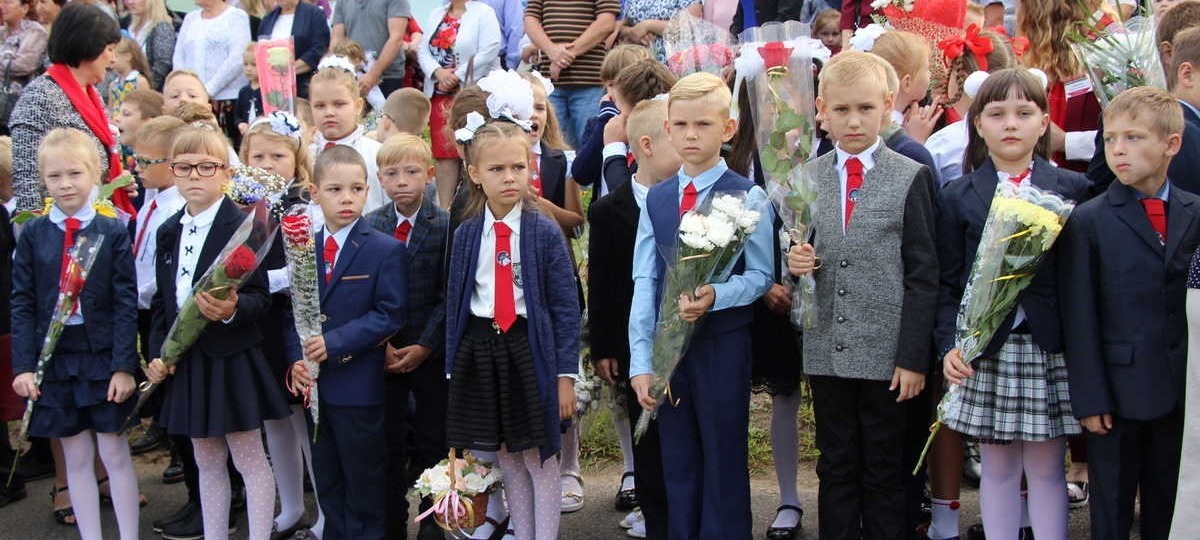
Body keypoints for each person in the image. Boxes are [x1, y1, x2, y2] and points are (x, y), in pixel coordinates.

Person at [786, 51, 938, 540]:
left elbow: (923, 274)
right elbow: (795, 264)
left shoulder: (910, 175)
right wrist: (796, 265)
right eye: (842, 109)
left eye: (866, 109)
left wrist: (913, 357)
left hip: (887, 356)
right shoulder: (804, 179)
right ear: (822, 111)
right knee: (835, 462)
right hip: (827, 350)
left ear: (888, 105)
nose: (854, 121)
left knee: (884, 465)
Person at [938, 68, 1089, 540]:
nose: (1010, 124)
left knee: (1046, 467)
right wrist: (949, 345)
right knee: (998, 466)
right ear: (978, 124)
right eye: (997, 113)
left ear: (1044, 123)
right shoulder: (958, 195)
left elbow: (1080, 281)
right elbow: (947, 284)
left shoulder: (1072, 189)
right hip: (987, 350)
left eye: (1024, 113)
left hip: (1049, 347)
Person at [628, 72, 773, 540]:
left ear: (727, 129)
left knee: (723, 456)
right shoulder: (657, 199)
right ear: (667, 129)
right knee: (678, 458)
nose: (692, 135)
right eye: (682, 124)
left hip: (721, 348)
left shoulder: (748, 195)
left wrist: (716, 295)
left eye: (704, 124)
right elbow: (645, 280)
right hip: (669, 353)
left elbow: (761, 276)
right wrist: (641, 362)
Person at [1059, 86, 1200, 540]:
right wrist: (1090, 398)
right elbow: (1080, 317)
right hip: (1115, 396)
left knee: (1170, 504)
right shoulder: (1089, 220)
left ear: (1171, 144)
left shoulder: (1195, 212)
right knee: (1112, 509)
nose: (1118, 149)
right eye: (1110, 138)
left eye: (1133, 137)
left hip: (1181, 392)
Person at [145, 126, 291, 540]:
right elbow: (162, 303)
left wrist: (232, 310)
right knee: (206, 458)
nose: (195, 175)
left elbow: (261, 298)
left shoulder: (243, 226)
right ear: (172, 171)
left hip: (230, 357)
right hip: (188, 360)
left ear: (226, 172)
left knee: (249, 459)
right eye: (184, 167)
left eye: (206, 167)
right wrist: (159, 353)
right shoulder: (168, 230)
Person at [444, 117, 579, 540]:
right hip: (484, 349)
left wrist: (565, 376)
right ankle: (522, 532)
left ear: (530, 168)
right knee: (507, 457)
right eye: (497, 169)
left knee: (539, 457)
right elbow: (456, 303)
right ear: (475, 174)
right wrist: (453, 366)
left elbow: (565, 308)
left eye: (518, 167)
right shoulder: (467, 234)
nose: (509, 177)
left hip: (529, 350)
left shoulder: (543, 231)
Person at [10, 127, 140, 540]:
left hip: (101, 355)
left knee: (114, 451)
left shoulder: (111, 230)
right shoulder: (33, 234)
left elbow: (125, 302)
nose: (65, 184)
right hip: (56, 360)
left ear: (95, 173)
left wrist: (123, 366)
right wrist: (24, 366)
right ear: (42, 180)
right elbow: (22, 302)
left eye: (75, 173)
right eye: (55, 176)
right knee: (76, 455)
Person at [287, 145, 407, 540]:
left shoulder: (384, 249)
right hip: (315, 389)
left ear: (367, 190)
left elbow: (390, 313)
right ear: (314, 192)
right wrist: (295, 361)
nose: (346, 198)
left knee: (364, 483)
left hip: (358, 387)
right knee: (328, 480)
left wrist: (334, 342)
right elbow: (293, 313)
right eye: (335, 189)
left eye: (356, 189)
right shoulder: (303, 248)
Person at [587, 98, 679, 540]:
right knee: (646, 433)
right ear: (647, 145)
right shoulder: (609, 209)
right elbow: (602, 282)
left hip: (683, 333)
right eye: (675, 138)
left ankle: (683, 509)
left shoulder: (688, 198)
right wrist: (603, 345)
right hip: (632, 340)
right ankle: (652, 510)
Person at [239, 111, 324, 540]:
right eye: (259, 156)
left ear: (296, 160)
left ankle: (323, 511)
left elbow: (305, 269)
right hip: (259, 325)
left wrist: (254, 280)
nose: (268, 164)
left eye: (278, 156)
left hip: (294, 321)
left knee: (304, 420)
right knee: (274, 419)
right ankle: (290, 506)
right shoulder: (240, 204)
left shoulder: (304, 207)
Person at [363, 133, 451, 540]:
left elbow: (448, 293)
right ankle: (391, 520)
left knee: (434, 437)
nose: (402, 181)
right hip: (384, 352)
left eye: (412, 172)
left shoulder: (445, 225)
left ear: (429, 175)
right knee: (388, 440)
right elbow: (366, 293)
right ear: (380, 178)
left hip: (429, 352)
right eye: (392, 173)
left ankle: (433, 519)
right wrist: (380, 343)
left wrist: (427, 344)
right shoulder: (371, 225)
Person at [9, 3, 131, 214]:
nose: (113, 59)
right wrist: (37, 230)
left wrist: (117, 182)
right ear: (87, 46)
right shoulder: (40, 97)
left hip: (96, 219)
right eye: (110, 50)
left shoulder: (92, 94)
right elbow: (27, 180)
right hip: (58, 224)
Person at [416, 0, 501, 210]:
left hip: (471, 95)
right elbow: (422, 50)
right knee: (444, 155)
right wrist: (438, 72)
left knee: (473, 151)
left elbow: (490, 50)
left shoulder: (484, 12)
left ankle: (475, 209)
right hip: (440, 95)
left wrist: (457, 75)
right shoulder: (437, 13)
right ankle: (444, 211)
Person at [926, 27, 1015, 186]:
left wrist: (916, 146)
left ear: (964, 78)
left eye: (949, 73)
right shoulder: (1022, 135)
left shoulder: (944, 143)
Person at [524, 0, 619, 147]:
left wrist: (562, 56)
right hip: (550, 84)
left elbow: (606, 22)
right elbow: (530, 19)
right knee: (547, 146)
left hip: (589, 82)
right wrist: (551, 50)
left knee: (590, 146)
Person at [568, 44, 653, 197]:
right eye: (611, 85)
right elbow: (581, 174)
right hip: (604, 208)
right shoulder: (596, 123)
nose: (616, 92)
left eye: (623, 84)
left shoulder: (653, 124)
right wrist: (605, 122)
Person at [308, 61, 387, 213]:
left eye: (339, 104)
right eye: (320, 106)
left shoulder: (378, 154)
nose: (329, 112)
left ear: (358, 106)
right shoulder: (307, 155)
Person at [172, 0, 252, 142]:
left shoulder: (236, 16)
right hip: (191, 101)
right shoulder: (191, 18)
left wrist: (206, 91)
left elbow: (237, 58)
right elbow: (179, 56)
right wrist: (183, 87)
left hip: (226, 100)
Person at [329, 0, 412, 97]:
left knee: (387, 108)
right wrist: (333, 71)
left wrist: (372, 75)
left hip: (388, 78)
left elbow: (396, 39)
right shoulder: (342, 2)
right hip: (352, 77)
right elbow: (336, 40)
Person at [258, 0, 330, 99]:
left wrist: (290, 70)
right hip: (273, 88)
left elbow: (319, 47)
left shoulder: (314, 14)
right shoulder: (267, 19)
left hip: (303, 85)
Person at [615, 0, 702, 62]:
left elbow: (688, 25)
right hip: (636, 63)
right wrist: (631, 32)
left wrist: (648, 26)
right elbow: (621, 26)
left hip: (673, 64)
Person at [124, 0, 176, 92]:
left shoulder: (162, 27)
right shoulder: (129, 27)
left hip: (149, 92)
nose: (130, 2)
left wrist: (147, 88)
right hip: (126, 88)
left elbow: (162, 65)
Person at [106, 38, 152, 116]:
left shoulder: (140, 81)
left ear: (128, 57)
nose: (111, 60)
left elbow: (147, 108)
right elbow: (111, 109)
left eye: (116, 56)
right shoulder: (113, 85)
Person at [235, 43, 264, 128]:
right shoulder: (243, 91)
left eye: (254, 64)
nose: (248, 69)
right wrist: (240, 124)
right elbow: (237, 116)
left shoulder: (268, 91)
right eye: (245, 64)